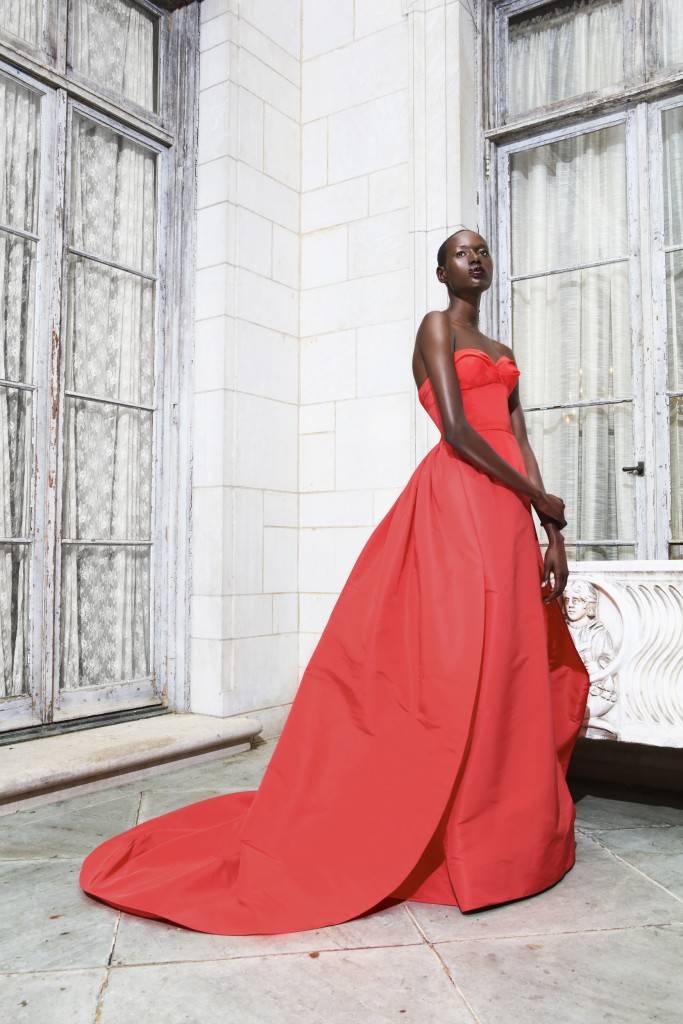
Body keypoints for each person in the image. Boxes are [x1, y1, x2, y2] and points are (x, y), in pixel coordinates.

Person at [79, 227, 590, 936]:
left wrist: (551, 533)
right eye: (459, 253)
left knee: (509, 658)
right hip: (461, 498)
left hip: (509, 512)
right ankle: (443, 821)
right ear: (439, 269)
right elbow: (458, 434)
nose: (474, 260)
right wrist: (536, 501)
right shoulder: (434, 326)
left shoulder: (504, 355)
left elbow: (519, 438)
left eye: (481, 252)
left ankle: (504, 830)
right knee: (456, 653)